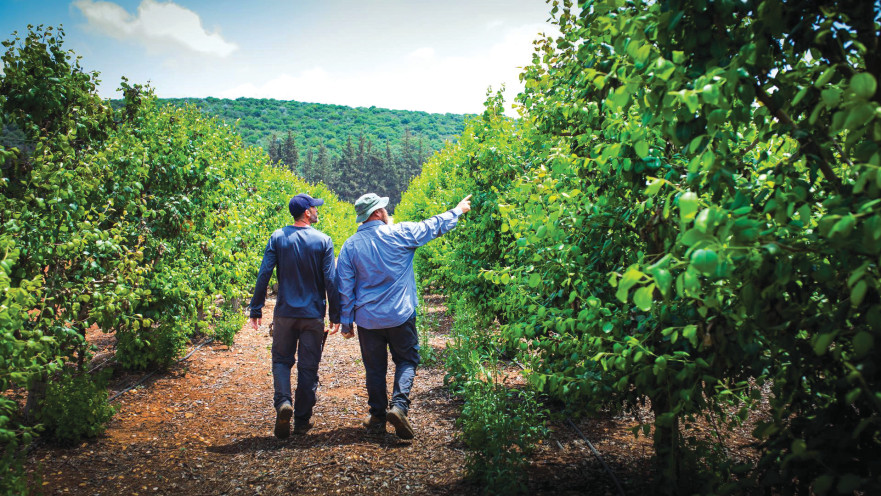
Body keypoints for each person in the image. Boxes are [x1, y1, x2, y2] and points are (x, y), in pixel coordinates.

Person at [336, 192, 471, 439]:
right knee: (407, 360)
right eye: (384, 209)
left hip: (368, 318)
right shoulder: (400, 233)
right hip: (400, 313)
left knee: (374, 368)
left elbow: (344, 286)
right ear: (378, 213)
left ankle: (378, 417)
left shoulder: (350, 246)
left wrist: (346, 322)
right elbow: (431, 226)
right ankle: (399, 407)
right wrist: (457, 210)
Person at [249, 193, 341, 439]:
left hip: (285, 314)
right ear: (307, 213)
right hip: (312, 315)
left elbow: (265, 272)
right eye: (315, 208)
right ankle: (301, 420)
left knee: (281, 360)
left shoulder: (278, 237)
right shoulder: (323, 241)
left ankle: (283, 403)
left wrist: (256, 308)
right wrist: (336, 313)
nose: (317, 211)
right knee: (308, 367)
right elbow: (330, 279)